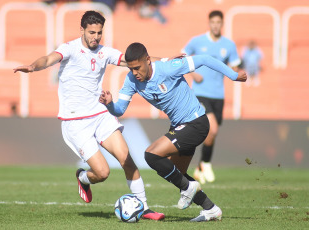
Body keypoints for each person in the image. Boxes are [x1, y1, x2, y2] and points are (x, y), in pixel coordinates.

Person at [13, 11, 164, 220]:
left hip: (100, 114)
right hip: (75, 122)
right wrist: (32, 67)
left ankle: (145, 208)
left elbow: (137, 61)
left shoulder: (104, 52)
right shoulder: (70, 49)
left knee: (126, 158)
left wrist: (167, 61)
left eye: (99, 33)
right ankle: (84, 178)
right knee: (102, 173)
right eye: (91, 32)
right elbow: (48, 59)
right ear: (82, 30)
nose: (95, 37)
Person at [99, 42, 247, 221]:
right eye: (131, 69)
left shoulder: (168, 68)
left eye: (137, 68)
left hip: (196, 123)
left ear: (147, 60)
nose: (135, 73)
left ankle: (188, 189)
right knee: (178, 174)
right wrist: (110, 105)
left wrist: (233, 75)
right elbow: (120, 110)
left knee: (151, 155)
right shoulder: (131, 80)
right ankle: (210, 209)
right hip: (179, 126)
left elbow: (205, 59)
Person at [182, 10, 241, 184]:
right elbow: (182, 56)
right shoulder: (197, 41)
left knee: (212, 134)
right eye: (213, 22)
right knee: (212, 128)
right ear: (209, 23)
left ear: (222, 24)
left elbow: (235, 66)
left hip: (218, 95)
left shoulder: (229, 45)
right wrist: (192, 73)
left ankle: (200, 166)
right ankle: (206, 163)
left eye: (218, 22)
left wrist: (237, 73)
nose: (215, 25)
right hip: (200, 92)